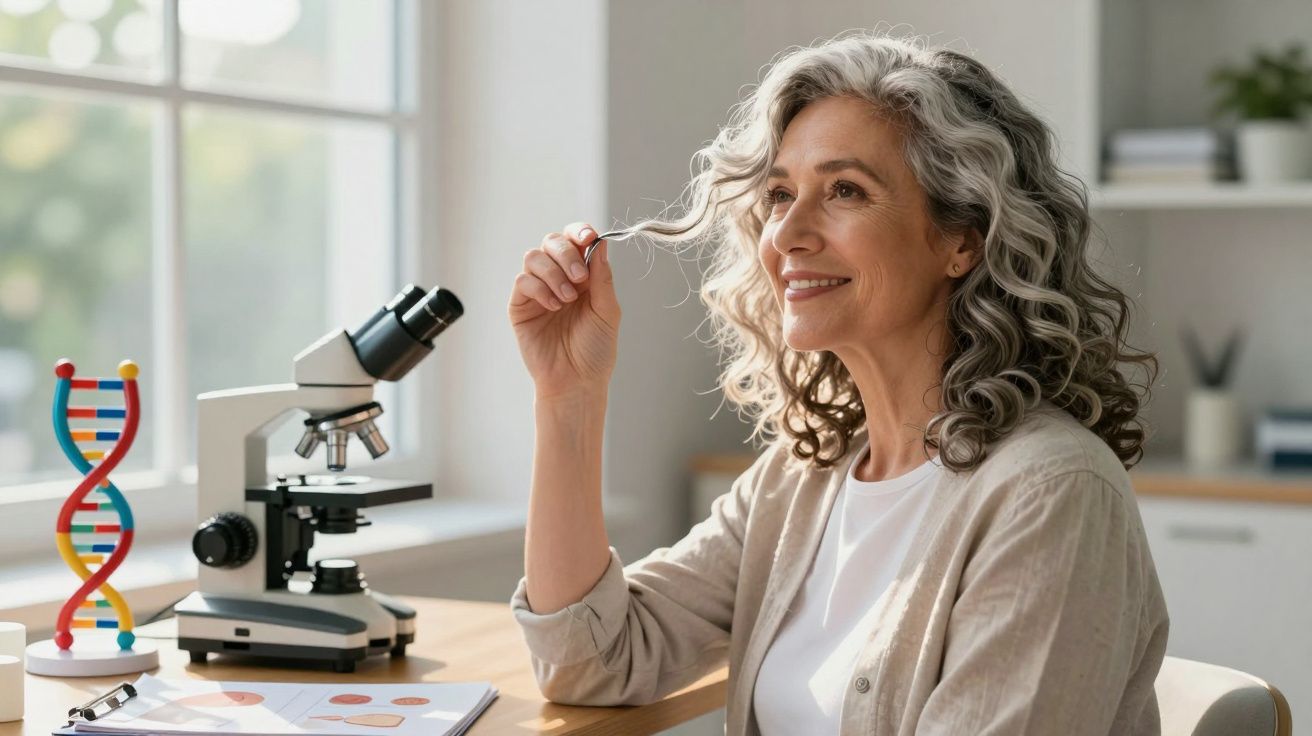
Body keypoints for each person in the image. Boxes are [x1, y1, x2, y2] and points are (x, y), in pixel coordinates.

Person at [505, 30, 1168, 736]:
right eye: (780, 193)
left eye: (845, 190)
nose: (787, 231)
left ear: (962, 239)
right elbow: (591, 662)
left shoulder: (1051, 492)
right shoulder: (802, 480)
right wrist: (567, 399)